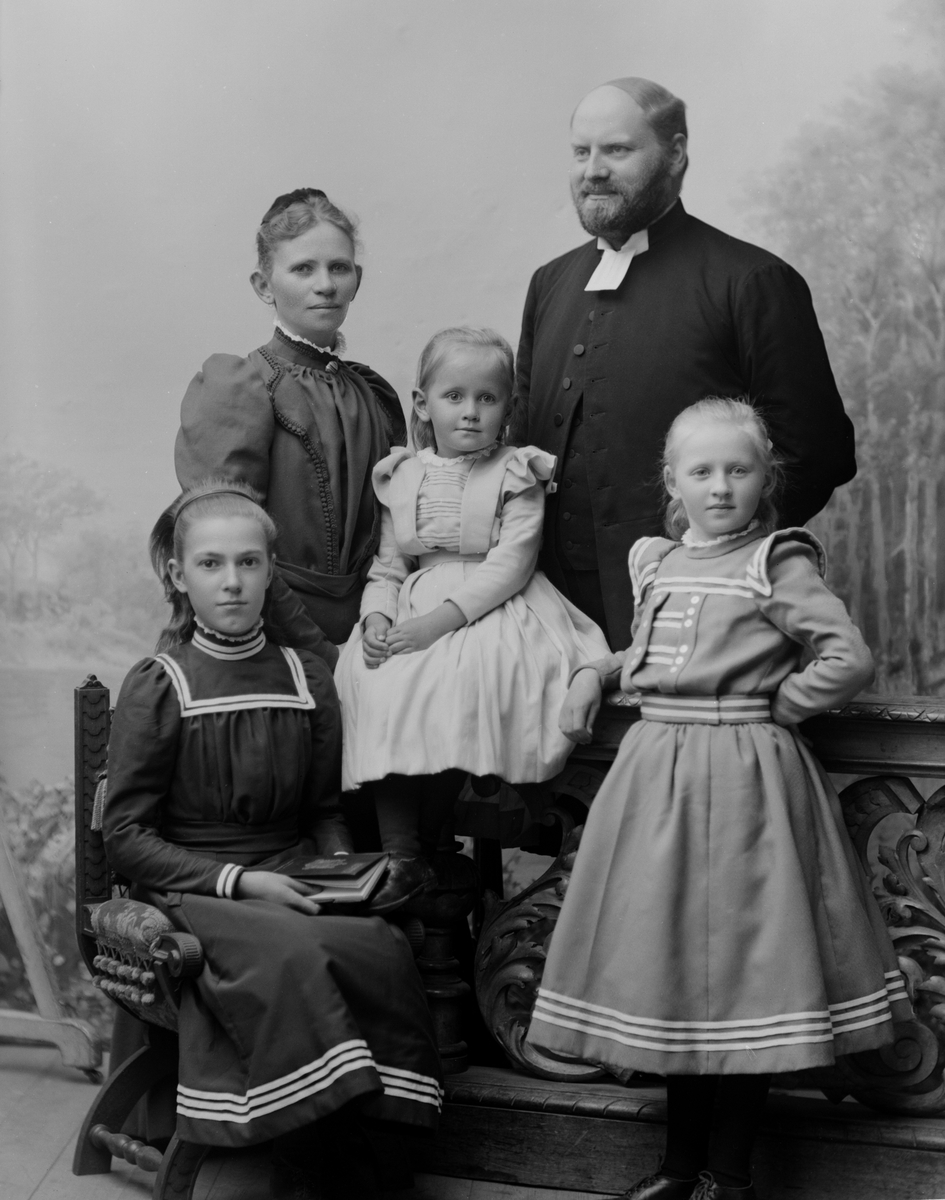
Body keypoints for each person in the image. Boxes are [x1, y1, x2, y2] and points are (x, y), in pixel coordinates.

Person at [526, 399, 911, 1200]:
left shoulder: (775, 560)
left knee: (743, 977)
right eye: (700, 472)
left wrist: (783, 704)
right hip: (655, 778)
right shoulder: (656, 561)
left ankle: (727, 1177)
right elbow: (646, 653)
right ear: (672, 481)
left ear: (764, 477)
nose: (720, 487)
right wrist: (592, 672)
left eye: (738, 470)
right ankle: (676, 1169)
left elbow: (845, 655)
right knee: (669, 972)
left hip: (747, 782)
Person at [103, 481, 441, 1200]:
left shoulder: (305, 675)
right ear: (178, 574)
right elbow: (127, 838)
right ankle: (304, 1167)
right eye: (211, 564)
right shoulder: (159, 684)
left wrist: (342, 870)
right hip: (196, 883)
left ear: (270, 570)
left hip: (292, 865)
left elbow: (322, 810)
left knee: (377, 945)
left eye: (249, 563)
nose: (232, 582)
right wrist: (242, 882)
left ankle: (361, 1153)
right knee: (291, 955)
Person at [516, 78, 856, 649]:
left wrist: (718, 565)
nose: (593, 170)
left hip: (701, 624)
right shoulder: (549, 284)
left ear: (674, 154)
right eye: (582, 152)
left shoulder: (752, 281)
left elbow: (817, 454)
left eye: (617, 150)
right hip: (551, 619)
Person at [334, 327, 610, 910]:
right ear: (422, 404)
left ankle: (428, 847)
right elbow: (388, 566)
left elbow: (512, 564)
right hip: (415, 594)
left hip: (494, 604)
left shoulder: (516, 471)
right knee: (375, 679)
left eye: (487, 399)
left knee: (457, 683)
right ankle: (402, 853)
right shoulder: (403, 475)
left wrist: (440, 622)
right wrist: (378, 619)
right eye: (453, 397)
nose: (470, 413)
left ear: (507, 407)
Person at [175, 188, 406, 669]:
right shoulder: (241, 385)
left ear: (356, 280)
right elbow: (229, 549)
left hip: (373, 635)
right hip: (267, 638)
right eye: (303, 269)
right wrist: (319, 652)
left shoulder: (373, 396)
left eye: (339, 268)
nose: (325, 285)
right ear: (264, 285)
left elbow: (393, 534)